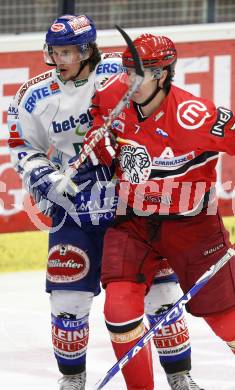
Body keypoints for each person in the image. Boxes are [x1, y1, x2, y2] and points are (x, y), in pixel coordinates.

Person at [7, 16, 202, 390]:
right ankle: (73, 381)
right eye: (55, 51)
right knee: (67, 300)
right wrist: (48, 181)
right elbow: (22, 147)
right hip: (74, 207)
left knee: (160, 293)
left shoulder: (122, 70)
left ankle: (180, 377)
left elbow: (162, 107)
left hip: (131, 203)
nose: (60, 58)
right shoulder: (33, 94)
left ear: (87, 49)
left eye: (68, 51)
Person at [83, 32, 235, 389]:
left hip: (192, 226)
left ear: (163, 74)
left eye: (140, 73)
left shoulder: (194, 116)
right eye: (126, 72)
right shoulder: (113, 95)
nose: (129, 81)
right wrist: (97, 138)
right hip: (133, 220)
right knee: (118, 309)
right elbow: (97, 114)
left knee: (226, 319)